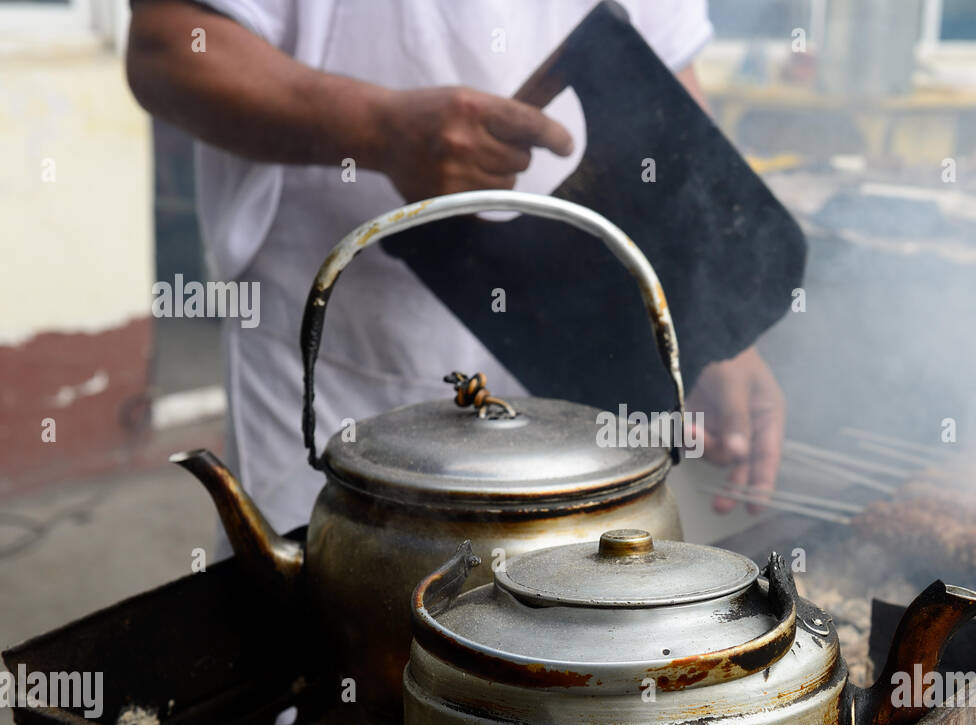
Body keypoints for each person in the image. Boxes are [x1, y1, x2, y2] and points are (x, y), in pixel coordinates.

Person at [125, 0, 785, 536]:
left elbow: (666, 79)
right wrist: (379, 130)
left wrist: (704, 322)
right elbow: (170, 46)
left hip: (589, 344)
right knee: (338, 633)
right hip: (347, 365)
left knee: (561, 656)